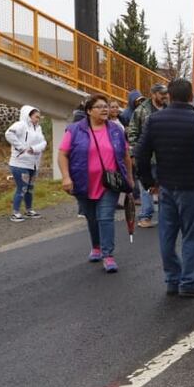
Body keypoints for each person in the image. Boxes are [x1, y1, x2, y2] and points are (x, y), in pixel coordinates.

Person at [136, 79, 194, 298]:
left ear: (169, 96)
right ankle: (189, 282)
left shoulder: (155, 120)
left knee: (167, 234)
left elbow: (140, 153)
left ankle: (172, 280)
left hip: (165, 184)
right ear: (190, 96)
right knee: (192, 236)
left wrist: (148, 182)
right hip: (192, 185)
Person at [59, 94, 134, 273]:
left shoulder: (115, 130)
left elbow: (125, 156)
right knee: (91, 217)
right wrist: (65, 177)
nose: (105, 110)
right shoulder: (74, 130)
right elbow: (62, 154)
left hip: (109, 183)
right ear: (89, 111)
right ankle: (97, 246)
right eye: (100, 107)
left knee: (105, 217)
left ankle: (108, 255)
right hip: (82, 182)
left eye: (106, 106)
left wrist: (129, 178)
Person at [128, 84, 168, 228]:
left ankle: (165, 217)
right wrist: (133, 154)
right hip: (146, 157)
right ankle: (145, 216)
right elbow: (132, 133)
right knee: (147, 187)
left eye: (166, 93)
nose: (164, 96)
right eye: (161, 93)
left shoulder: (168, 109)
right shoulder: (141, 111)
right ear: (153, 93)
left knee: (164, 188)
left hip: (164, 156)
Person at [4, 105, 47, 223]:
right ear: (29, 115)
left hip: (33, 163)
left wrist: (34, 148)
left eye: (39, 117)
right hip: (20, 163)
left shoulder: (38, 128)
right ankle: (15, 212)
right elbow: (9, 134)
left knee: (30, 188)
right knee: (22, 188)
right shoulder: (20, 125)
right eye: (36, 117)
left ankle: (29, 210)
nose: (38, 119)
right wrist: (20, 147)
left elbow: (43, 142)